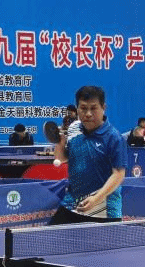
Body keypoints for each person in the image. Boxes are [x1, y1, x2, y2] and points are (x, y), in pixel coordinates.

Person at [48, 85, 126, 224]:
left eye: (93, 108)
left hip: (104, 212)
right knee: (49, 236)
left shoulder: (114, 138)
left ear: (103, 107)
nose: (88, 114)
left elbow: (119, 174)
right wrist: (59, 144)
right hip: (72, 205)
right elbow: (62, 158)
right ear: (77, 109)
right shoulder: (74, 128)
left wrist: (96, 198)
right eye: (83, 108)